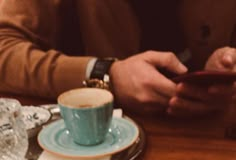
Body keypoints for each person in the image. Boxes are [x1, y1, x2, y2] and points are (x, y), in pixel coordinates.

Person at [0, 0, 236, 117]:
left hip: (206, 137)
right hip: (89, 141)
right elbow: (4, 48)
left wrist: (224, 69)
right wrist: (106, 75)